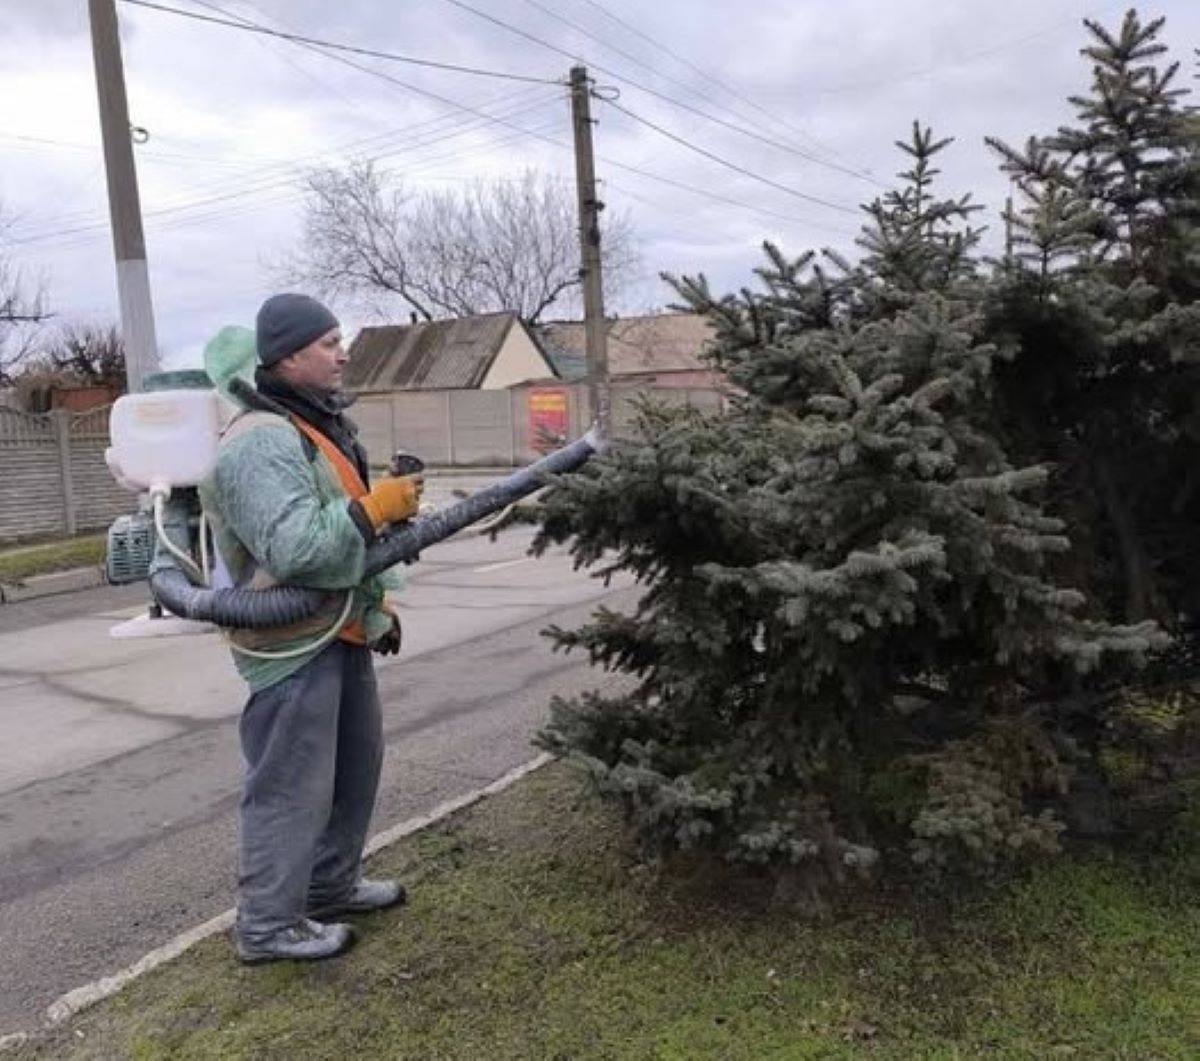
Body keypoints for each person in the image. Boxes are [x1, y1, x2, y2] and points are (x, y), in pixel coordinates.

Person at [201, 293, 421, 964]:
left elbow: (338, 525)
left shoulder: (307, 424)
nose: (343, 353)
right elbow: (299, 549)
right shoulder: (259, 440)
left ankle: (328, 886)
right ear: (288, 355)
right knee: (291, 784)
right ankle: (266, 925)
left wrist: (378, 598)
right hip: (291, 644)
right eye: (329, 342)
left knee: (354, 766)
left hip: (339, 629)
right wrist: (375, 507)